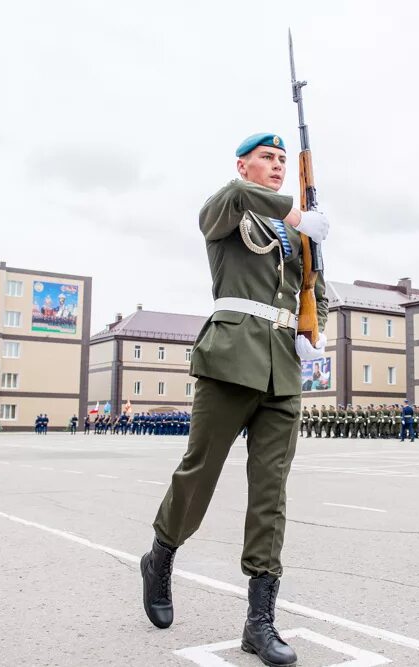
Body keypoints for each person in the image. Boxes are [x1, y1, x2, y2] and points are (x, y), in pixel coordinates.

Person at [140, 132, 329, 667]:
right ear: (242, 165)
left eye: (282, 161)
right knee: (200, 471)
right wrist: (296, 211)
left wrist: (308, 328)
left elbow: (306, 289)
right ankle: (160, 555)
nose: (275, 166)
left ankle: (259, 622)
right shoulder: (227, 206)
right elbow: (235, 201)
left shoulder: (295, 236)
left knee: (270, 494)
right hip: (229, 360)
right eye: (266, 159)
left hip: (282, 371)